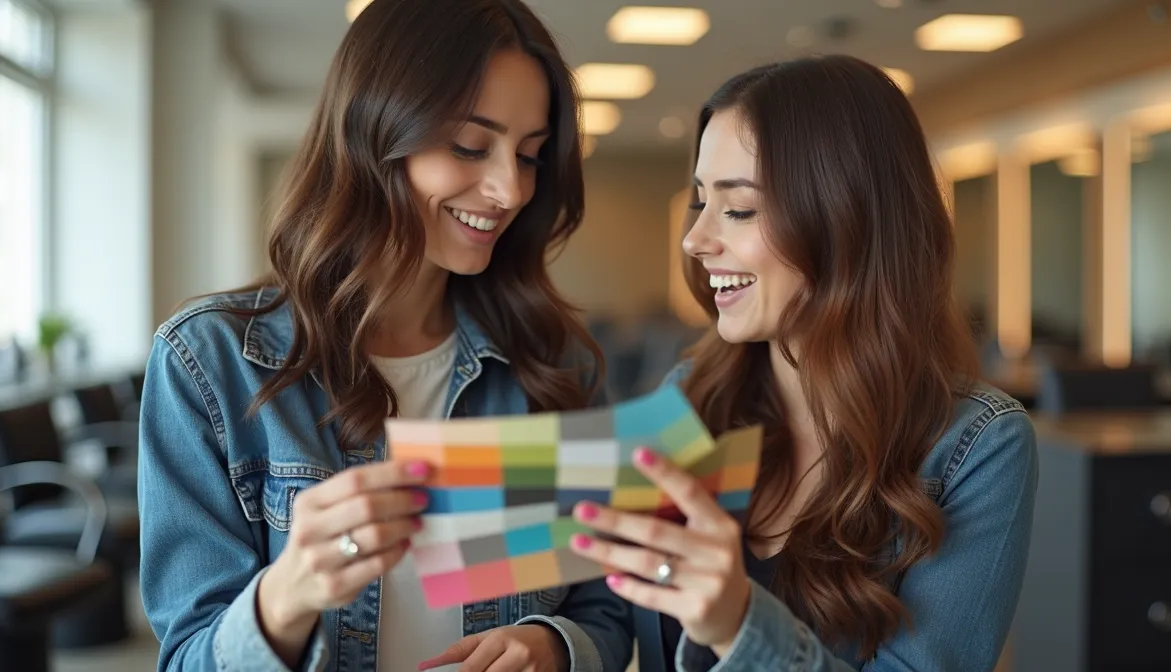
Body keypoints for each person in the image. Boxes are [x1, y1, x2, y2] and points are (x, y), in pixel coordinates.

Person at [137, 1, 631, 670]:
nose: (509, 188)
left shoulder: (554, 363)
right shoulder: (210, 364)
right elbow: (188, 658)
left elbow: (603, 606)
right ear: (374, 132)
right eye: (469, 146)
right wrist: (284, 597)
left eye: (531, 155)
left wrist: (553, 646)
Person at [566, 55, 1039, 671]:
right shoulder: (689, 395)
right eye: (701, 202)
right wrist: (552, 642)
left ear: (844, 219)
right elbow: (610, 598)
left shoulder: (979, 448)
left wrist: (741, 626)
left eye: (737, 209)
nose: (695, 239)